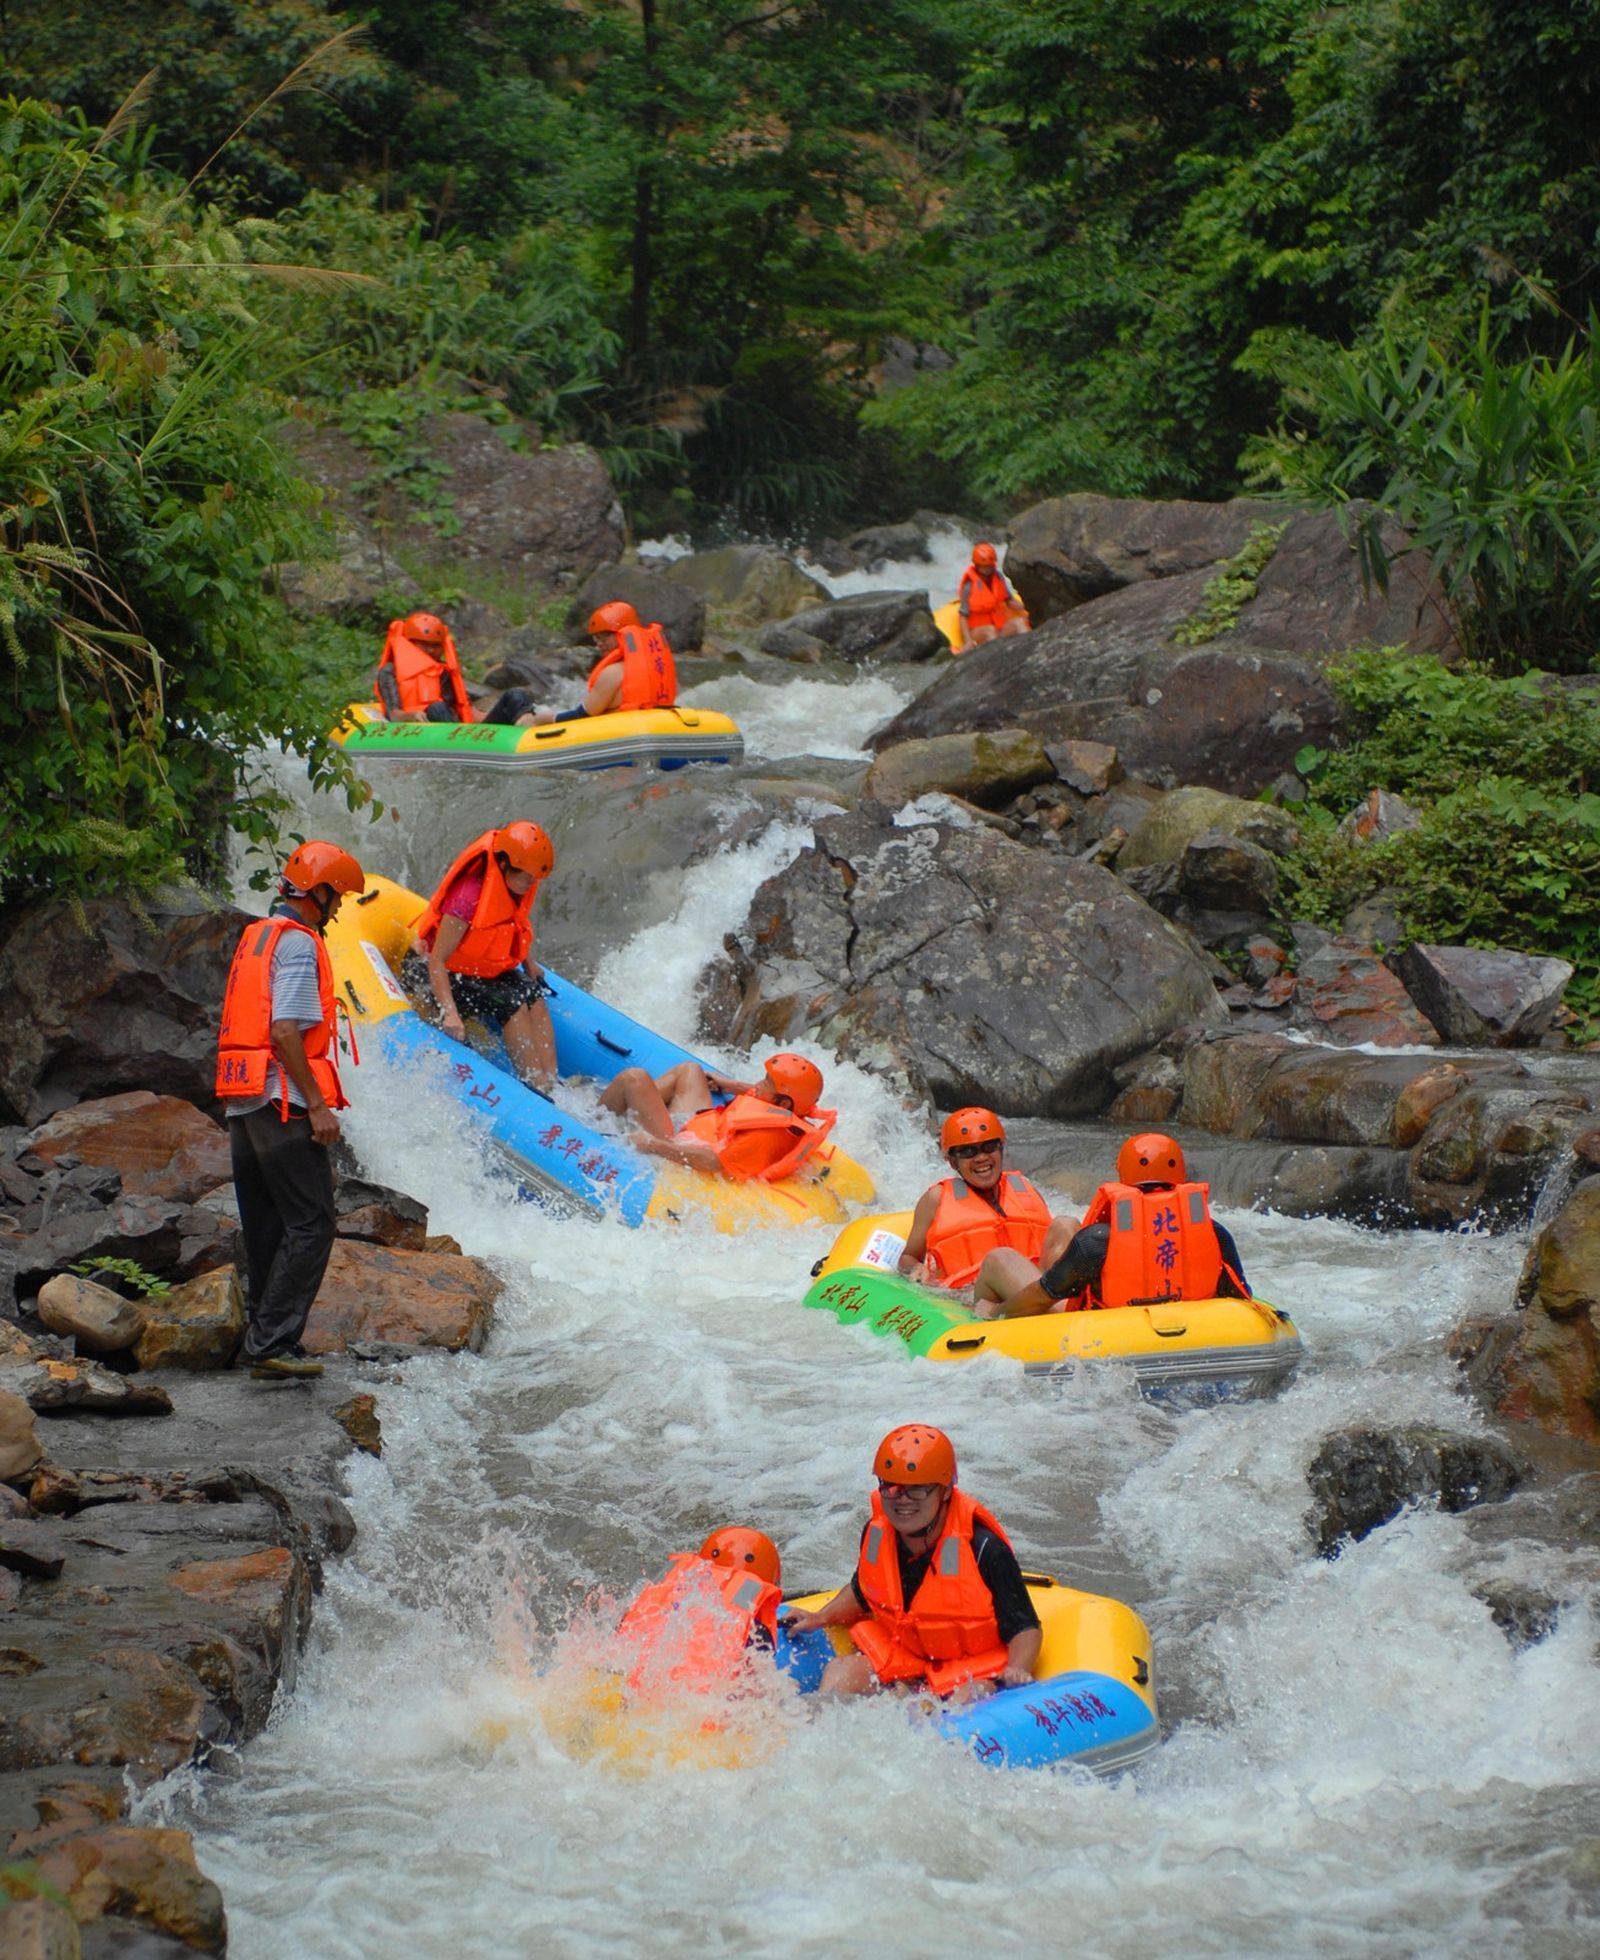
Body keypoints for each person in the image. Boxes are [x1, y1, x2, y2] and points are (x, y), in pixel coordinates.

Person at [216, 839, 366, 1380]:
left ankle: (261, 1334)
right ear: (319, 893)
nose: (340, 907)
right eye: (339, 897)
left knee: (265, 1223)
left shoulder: (258, 935)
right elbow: (285, 1030)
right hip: (283, 1098)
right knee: (313, 1223)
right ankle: (272, 1344)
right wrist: (320, 1105)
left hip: (243, 1097)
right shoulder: (300, 944)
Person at [782, 1426, 1041, 1702]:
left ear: (944, 1491)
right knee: (841, 1671)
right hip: (908, 1661)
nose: (902, 1500)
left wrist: (1017, 1668)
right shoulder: (877, 1532)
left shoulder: (984, 1549)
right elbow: (863, 1591)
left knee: (969, 1696)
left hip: (970, 1672)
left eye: (917, 1490)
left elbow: (1026, 1628)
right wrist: (820, 1617)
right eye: (891, 1487)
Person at [1004, 1132, 1251, 1317]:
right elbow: (1240, 1295)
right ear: (1180, 1175)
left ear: (1123, 1177)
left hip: (1117, 1341)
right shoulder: (1214, 1232)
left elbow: (1043, 1296)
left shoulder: (1096, 1241)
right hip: (1199, 1334)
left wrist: (995, 1314)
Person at [405, 823, 557, 1091]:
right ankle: (536, 1087)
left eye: (535, 878)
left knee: (534, 996)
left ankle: (551, 1083)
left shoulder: (515, 885)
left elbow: (515, 925)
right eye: (527, 877)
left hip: (479, 969)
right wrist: (450, 1014)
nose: (532, 883)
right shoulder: (469, 897)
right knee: (513, 1004)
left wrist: (529, 965)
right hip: (441, 974)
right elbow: (437, 960)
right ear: (506, 864)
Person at [898, 1108, 1072, 1319]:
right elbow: (908, 1257)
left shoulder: (1024, 1188)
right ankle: (1067, 1313)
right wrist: (916, 1267)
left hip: (1037, 1284)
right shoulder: (936, 1198)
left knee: (1066, 1224)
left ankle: (1081, 1302)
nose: (981, 1157)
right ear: (953, 1161)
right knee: (1001, 1257)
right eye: (967, 1152)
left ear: (1001, 1150)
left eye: (989, 1147)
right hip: (977, 1295)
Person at [600, 1051, 834, 1182]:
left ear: (783, 1102)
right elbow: (764, 1098)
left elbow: (713, 1161)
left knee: (633, 1078)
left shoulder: (764, 1139)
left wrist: (652, 1144)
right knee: (690, 1070)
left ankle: (594, 1123)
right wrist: (730, 1085)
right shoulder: (788, 1108)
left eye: (766, 1082)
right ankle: (632, 1103)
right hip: (705, 1124)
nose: (758, 1085)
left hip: (684, 1143)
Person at [615, 1527, 784, 1695]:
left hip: (629, 1691)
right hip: (695, 1709)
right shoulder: (755, 1629)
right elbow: (755, 1690)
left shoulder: (666, 1598)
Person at [373, 612, 540, 727]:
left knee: (515, 695)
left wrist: (489, 716)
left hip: (461, 728)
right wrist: (412, 715)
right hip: (424, 728)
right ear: (410, 644)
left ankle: (529, 725)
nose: (431, 650)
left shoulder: (443, 671)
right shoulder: (390, 671)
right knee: (436, 708)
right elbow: (394, 715)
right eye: (424, 645)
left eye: (436, 646)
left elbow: (463, 709)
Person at [534, 602, 678, 723]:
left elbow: (581, 716)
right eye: (597, 639)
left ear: (622, 635)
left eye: (605, 637)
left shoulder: (612, 673)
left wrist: (548, 719)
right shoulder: (660, 669)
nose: (600, 644)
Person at [956, 543, 1029, 653]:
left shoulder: (998, 577)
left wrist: (1028, 608)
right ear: (976, 565)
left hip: (1000, 628)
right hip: (979, 632)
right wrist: (968, 642)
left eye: (989, 566)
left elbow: (1009, 600)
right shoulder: (969, 585)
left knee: (1020, 623)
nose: (987, 569)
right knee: (990, 631)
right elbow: (963, 616)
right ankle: (998, 659)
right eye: (984, 566)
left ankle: (1030, 650)